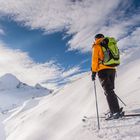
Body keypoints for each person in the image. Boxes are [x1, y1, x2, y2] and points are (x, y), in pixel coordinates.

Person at [91, 33, 123, 120]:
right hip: (112, 69)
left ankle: (115, 112)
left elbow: (94, 59)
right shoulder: (109, 43)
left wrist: (93, 72)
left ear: (96, 39)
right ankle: (114, 109)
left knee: (108, 91)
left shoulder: (97, 45)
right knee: (110, 90)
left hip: (102, 70)